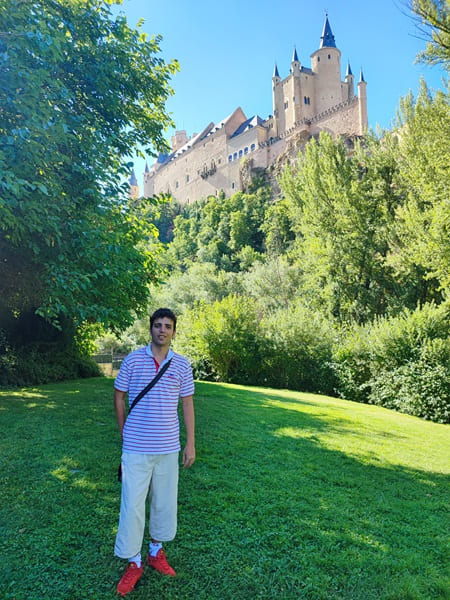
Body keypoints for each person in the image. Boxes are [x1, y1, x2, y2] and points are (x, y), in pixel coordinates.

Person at [113, 308, 195, 597]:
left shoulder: (183, 365)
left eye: (168, 326)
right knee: (132, 506)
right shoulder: (133, 359)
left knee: (163, 502)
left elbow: (187, 404)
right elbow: (119, 395)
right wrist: (124, 431)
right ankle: (134, 561)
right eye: (158, 325)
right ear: (150, 329)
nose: (162, 330)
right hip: (135, 448)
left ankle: (155, 551)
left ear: (174, 331)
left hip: (168, 448)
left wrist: (190, 443)